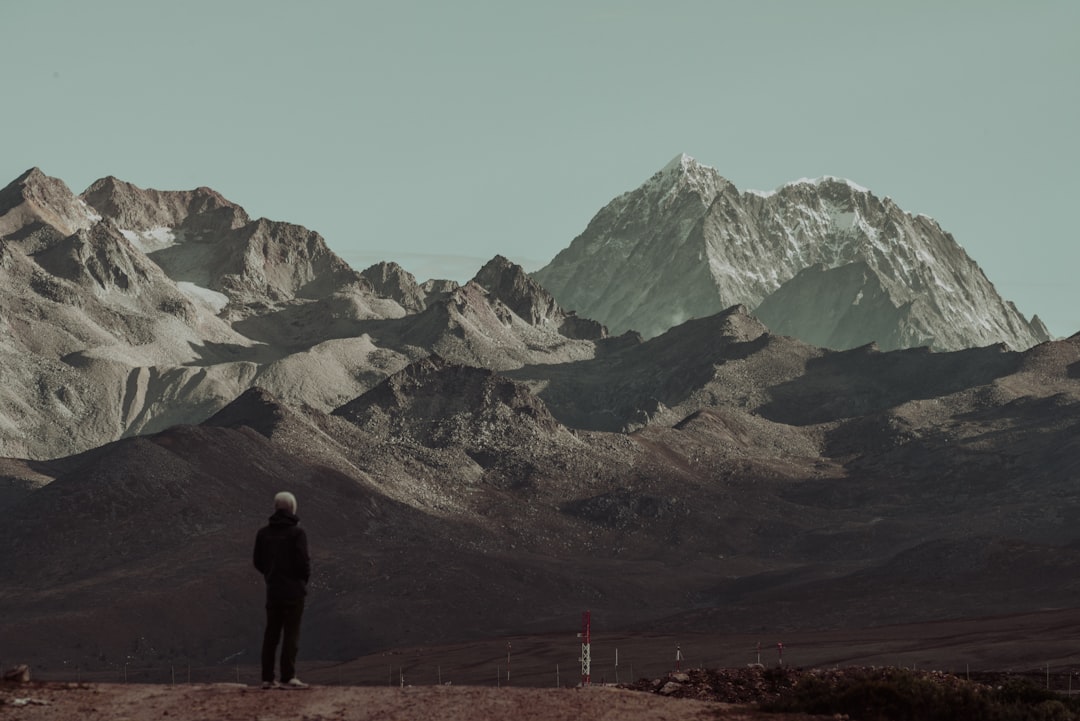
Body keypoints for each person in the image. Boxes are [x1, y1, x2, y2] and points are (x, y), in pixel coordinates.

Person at [253, 491, 311, 689]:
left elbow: (258, 562)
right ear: (293, 508)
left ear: (275, 508)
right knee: (291, 634)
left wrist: (271, 575)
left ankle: (267, 678)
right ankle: (288, 676)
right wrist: (301, 580)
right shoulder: (297, 533)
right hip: (294, 591)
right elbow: (303, 563)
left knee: (271, 634)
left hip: (273, 590)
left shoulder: (263, 534)